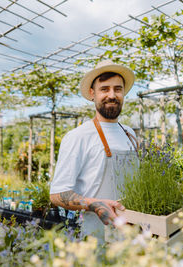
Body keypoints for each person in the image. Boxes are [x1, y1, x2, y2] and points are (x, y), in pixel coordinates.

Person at [49, 60, 139, 242]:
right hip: (96, 237)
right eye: (104, 89)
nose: (112, 95)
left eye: (118, 89)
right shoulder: (78, 136)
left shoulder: (129, 133)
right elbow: (57, 194)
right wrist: (95, 204)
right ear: (92, 93)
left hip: (134, 232)